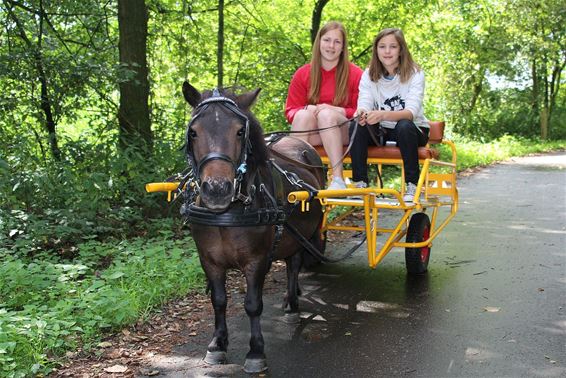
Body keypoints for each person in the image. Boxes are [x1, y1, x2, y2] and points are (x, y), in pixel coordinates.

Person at [350, 28, 429, 202]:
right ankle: (360, 183)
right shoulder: (369, 74)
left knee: (404, 125)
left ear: (401, 49)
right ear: (376, 50)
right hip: (382, 130)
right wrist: (362, 113)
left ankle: (412, 185)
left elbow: (410, 113)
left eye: (392, 46)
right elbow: (364, 102)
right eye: (382, 46)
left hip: (412, 130)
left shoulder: (415, 73)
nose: (387, 51)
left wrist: (381, 115)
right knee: (356, 124)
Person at [285, 21, 363, 190]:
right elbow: (290, 110)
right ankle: (298, 179)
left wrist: (336, 110)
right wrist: (308, 108)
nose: (331, 46)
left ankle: (338, 180)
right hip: (315, 131)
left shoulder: (356, 74)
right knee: (303, 115)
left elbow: (362, 112)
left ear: (343, 47)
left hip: (346, 131)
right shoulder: (303, 73)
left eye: (337, 42)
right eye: (327, 40)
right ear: (319, 42)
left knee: (326, 115)